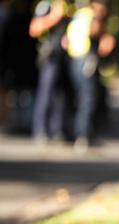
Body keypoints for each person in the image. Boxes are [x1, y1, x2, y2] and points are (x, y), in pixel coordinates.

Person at [62, 0, 114, 152]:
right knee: (88, 99)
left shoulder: (79, 15)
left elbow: (65, 40)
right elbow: (99, 36)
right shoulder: (94, 17)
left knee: (79, 98)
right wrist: (105, 36)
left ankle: (77, 132)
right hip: (87, 61)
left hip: (74, 60)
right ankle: (83, 135)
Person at [29, 0, 71, 145]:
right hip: (49, 57)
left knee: (62, 95)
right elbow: (34, 29)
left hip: (65, 57)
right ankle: (40, 130)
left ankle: (58, 130)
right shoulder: (45, 6)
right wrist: (53, 17)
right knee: (45, 93)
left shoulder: (69, 7)